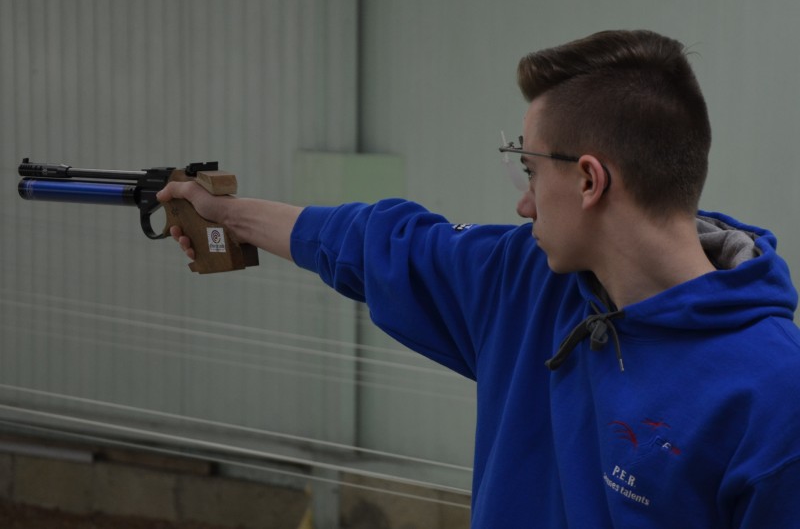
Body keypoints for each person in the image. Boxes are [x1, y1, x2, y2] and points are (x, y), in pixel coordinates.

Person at [157, 30, 800, 528]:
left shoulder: (775, 397)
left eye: (530, 171)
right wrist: (227, 216)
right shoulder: (525, 279)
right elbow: (375, 241)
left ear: (588, 180)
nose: (522, 203)